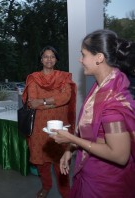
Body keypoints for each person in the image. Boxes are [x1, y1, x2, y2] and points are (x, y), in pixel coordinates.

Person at [51, 29, 135, 197]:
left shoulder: (113, 101)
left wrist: (70, 139)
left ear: (99, 57)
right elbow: (88, 129)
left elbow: (119, 155)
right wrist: (69, 149)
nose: (80, 60)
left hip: (105, 183)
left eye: (83, 54)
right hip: (90, 170)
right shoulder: (101, 87)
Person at [22, 46, 77, 198]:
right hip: (39, 128)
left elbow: (65, 97)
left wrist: (44, 101)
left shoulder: (64, 77)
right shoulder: (33, 78)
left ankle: (66, 192)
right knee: (41, 162)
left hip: (59, 126)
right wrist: (53, 101)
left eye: (52, 56)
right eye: (45, 56)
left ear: (56, 59)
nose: (49, 59)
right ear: (41, 59)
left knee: (61, 162)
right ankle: (46, 187)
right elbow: (32, 101)